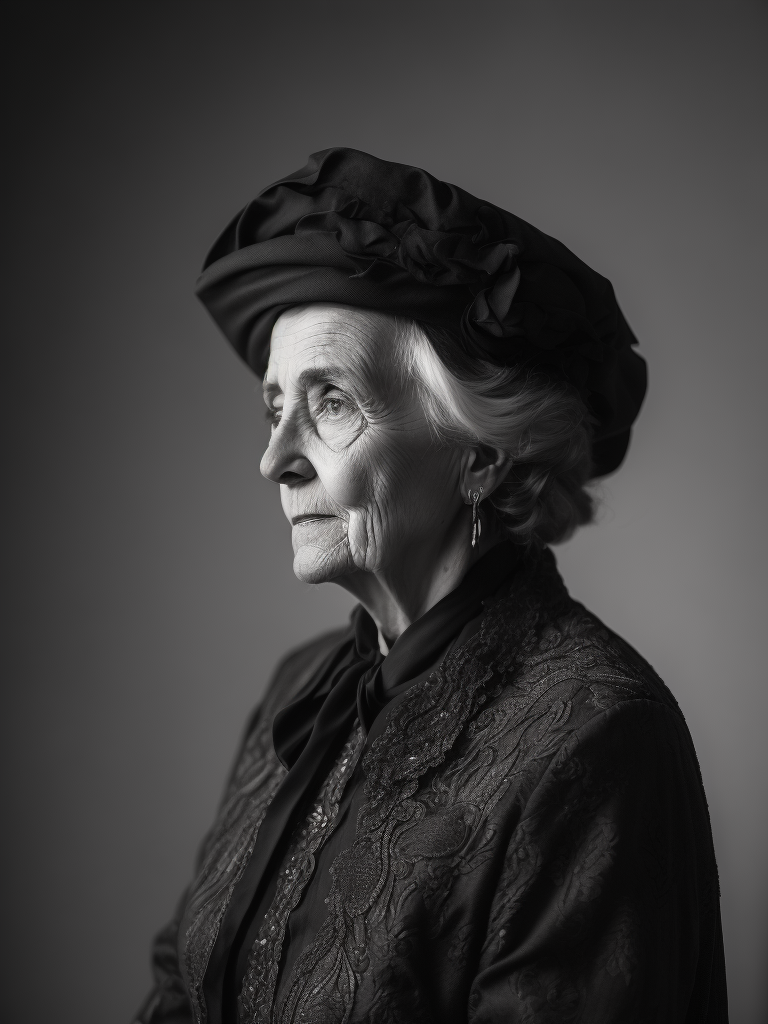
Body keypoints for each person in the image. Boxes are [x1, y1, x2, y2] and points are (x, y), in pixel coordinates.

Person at [135, 148, 727, 1023]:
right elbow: (179, 988)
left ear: (480, 457)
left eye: (330, 401)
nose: (273, 460)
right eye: (274, 408)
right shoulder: (301, 691)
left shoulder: (598, 736)